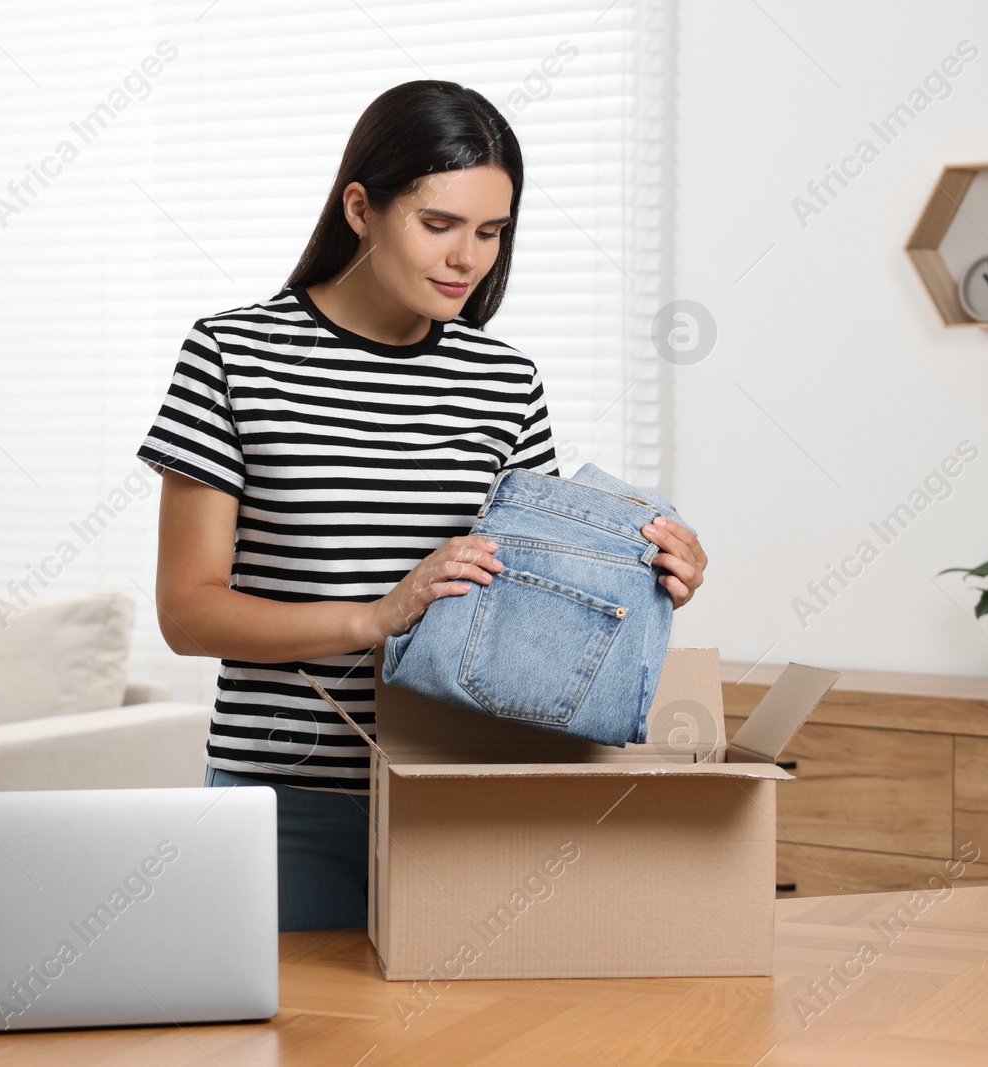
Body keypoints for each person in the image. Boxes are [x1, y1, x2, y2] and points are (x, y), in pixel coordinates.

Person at [134, 79, 708, 931]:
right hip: (288, 802)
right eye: (437, 224)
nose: (465, 259)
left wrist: (649, 565)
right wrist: (377, 615)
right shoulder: (234, 355)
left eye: (489, 232)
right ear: (360, 208)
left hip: (462, 798)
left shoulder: (504, 381)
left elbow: (522, 599)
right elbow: (189, 612)